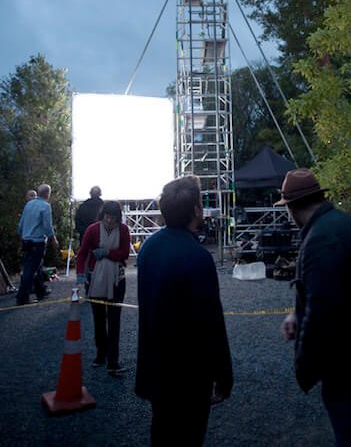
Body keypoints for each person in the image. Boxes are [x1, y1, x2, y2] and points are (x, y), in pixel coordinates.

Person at [278, 169, 351, 447]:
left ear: (291, 207)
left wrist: (304, 367)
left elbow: (322, 310)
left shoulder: (321, 238)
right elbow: (336, 290)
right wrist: (297, 313)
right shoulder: (341, 224)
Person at [135, 175, 233, 446]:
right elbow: (211, 322)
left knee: (161, 431)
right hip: (189, 373)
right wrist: (224, 375)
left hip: (156, 363)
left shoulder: (149, 248)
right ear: (196, 210)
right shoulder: (197, 257)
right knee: (189, 435)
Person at [76, 200, 129, 376]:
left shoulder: (123, 230)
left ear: (118, 217)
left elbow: (124, 253)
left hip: (117, 279)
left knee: (114, 320)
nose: (109, 221)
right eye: (107, 217)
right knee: (98, 318)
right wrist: (80, 275)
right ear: (102, 215)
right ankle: (101, 353)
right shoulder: (92, 230)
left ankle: (113, 360)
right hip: (95, 278)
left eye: (113, 218)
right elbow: (82, 253)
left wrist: (107, 253)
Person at [16, 183, 58, 305]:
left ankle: (41, 291)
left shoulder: (28, 204)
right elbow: (47, 225)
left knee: (35, 266)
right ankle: (22, 297)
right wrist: (53, 239)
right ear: (47, 194)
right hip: (37, 241)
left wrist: (21, 238)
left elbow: (21, 224)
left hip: (26, 240)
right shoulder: (45, 206)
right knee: (30, 269)